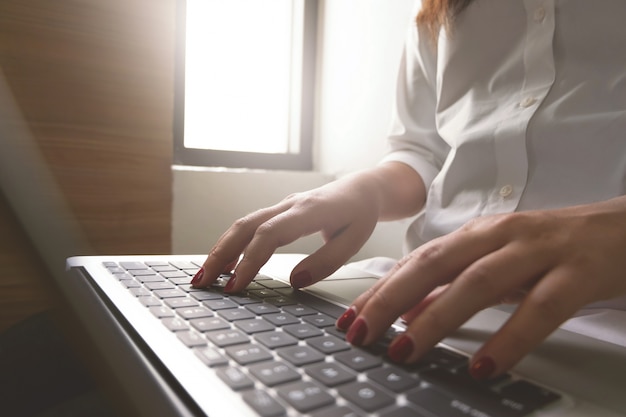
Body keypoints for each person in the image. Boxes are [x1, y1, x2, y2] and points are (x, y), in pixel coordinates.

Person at [191, 0, 626, 381]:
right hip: (418, 290)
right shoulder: (438, 9)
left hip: (605, 322)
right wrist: (368, 188)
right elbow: (422, 151)